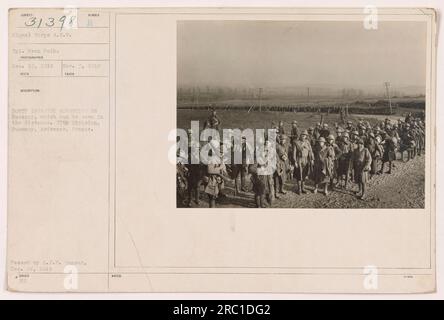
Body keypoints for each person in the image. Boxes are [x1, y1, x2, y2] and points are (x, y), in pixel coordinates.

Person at [291, 130, 314, 195]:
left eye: (305, 135)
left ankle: (303, 188)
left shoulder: (307, 142)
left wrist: (312, 159)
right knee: (299, 174)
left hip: (306, 160)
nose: (304, 136)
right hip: (299, 160)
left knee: (304, 174)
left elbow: (310, 151)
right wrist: (295, 161)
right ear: (300, 135)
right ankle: (299, 189)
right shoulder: (296, 142)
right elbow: (294, 153)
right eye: (302, 135)